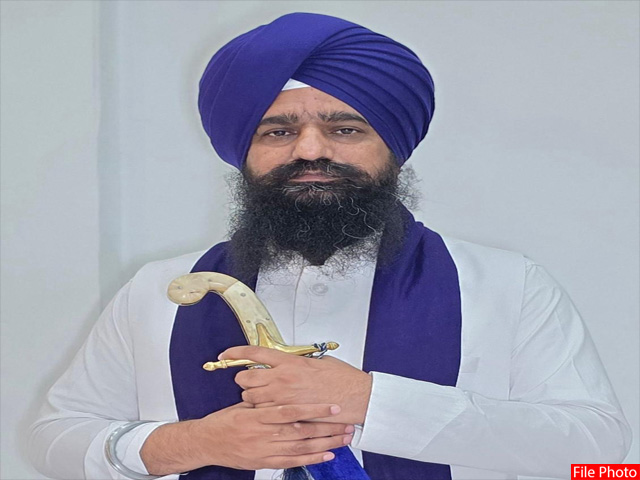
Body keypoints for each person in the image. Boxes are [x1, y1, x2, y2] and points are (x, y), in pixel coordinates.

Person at [29, 12, 631, 480]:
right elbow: (53, 438)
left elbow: (599, 455)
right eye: (278, 131)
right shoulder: (159, 290)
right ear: (244, 151)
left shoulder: (505, 284)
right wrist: (193, 442)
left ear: (393, 148)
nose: (310, 150)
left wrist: (370, 402)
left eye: (345, 128)